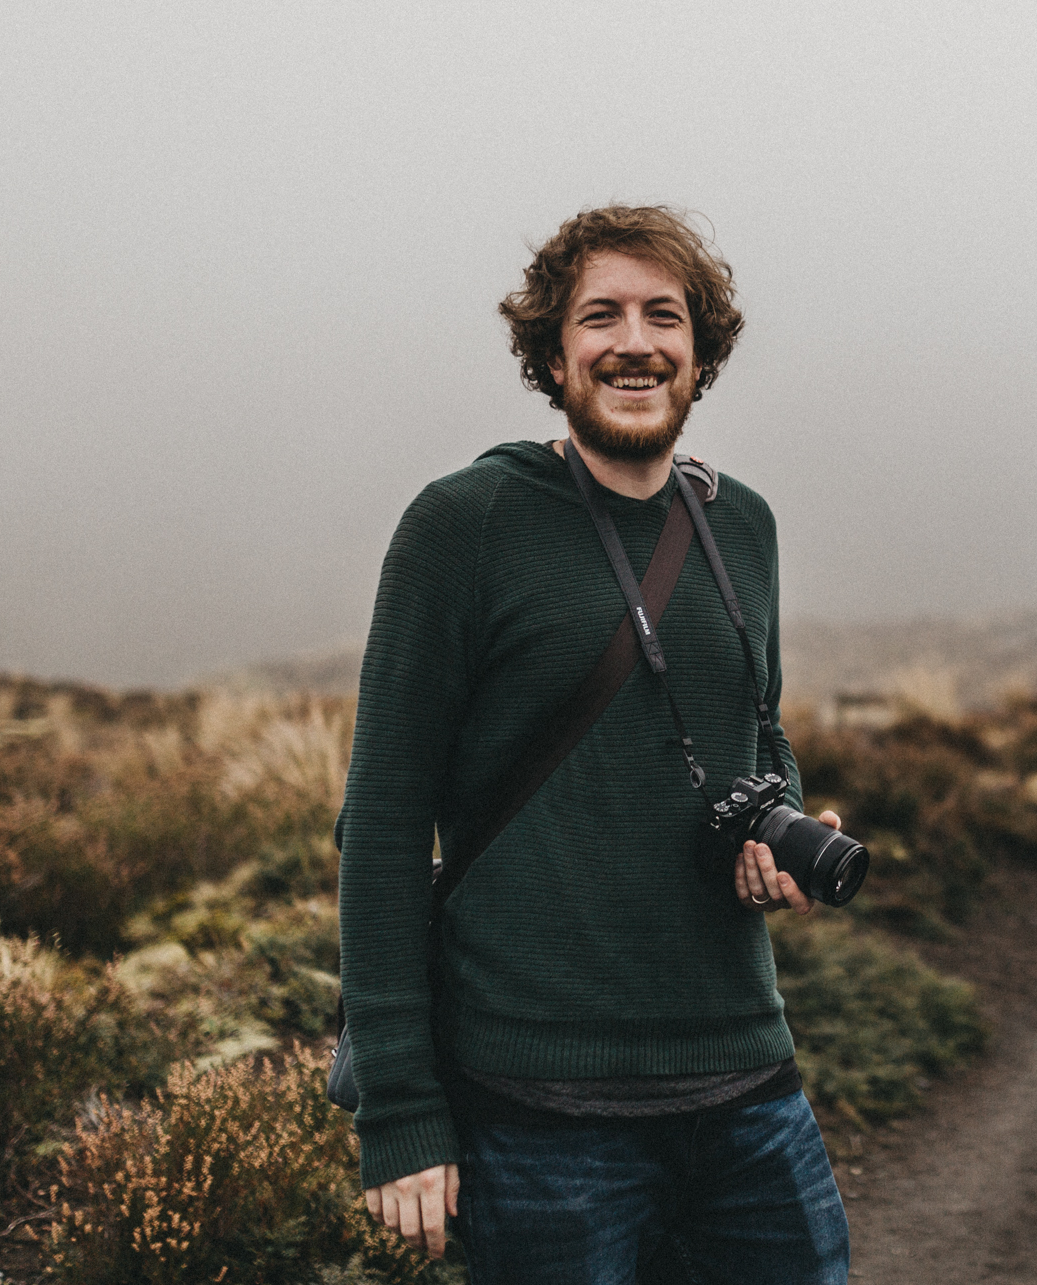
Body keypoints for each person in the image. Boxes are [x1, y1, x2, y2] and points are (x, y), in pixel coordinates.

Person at [337, 205, 850, 1282]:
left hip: (747, 1076)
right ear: (552, 350)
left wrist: (781, 823)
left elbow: (759, 729)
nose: (634, 340)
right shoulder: (464, 523)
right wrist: (401, 1112)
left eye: (664, 314)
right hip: (539, 1110)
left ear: (698, 351)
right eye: (599, 314)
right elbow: (381, 826)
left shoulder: (740, 524)